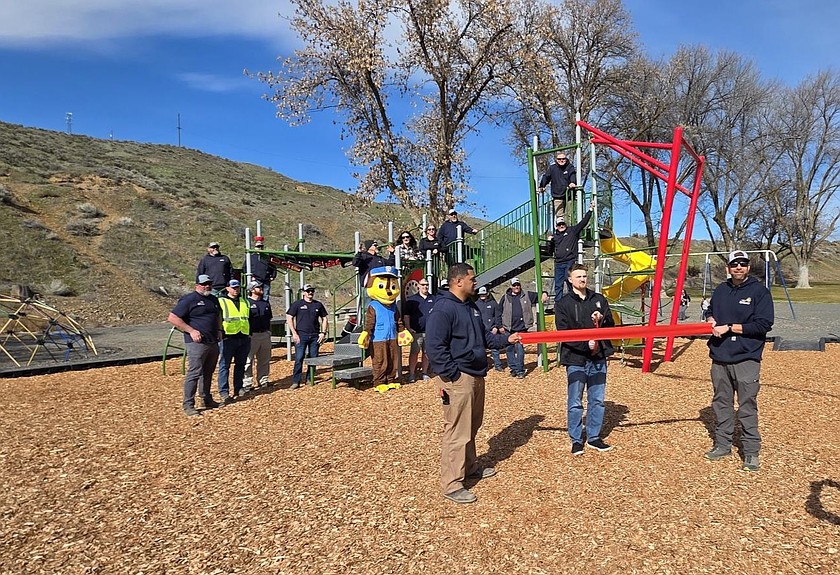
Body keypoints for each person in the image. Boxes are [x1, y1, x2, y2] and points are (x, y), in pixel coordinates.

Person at [425, 263, 521, 504]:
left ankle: (469, 467)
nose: (475, 282)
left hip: (477, 374)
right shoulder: (443, 309)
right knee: (457, 430)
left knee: (472, 426)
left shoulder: (471, 307)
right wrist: (453, 375)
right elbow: (434, 348)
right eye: (472, 279)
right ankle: (452, 484)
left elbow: (485, 337)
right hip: (459, 378)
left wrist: (506, 340)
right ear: (458, 281)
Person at [704, 250, 774, 472]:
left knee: (746, 406)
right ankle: (723, 444)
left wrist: (731, 327)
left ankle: (751, 451)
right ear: (728, 268)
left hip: (746, 357)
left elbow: (763, 325)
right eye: (735, 264)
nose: (739, 268)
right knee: (721, 403)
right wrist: (711, 319)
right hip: (720, 357)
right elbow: (710, 313)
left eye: (743, 264)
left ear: (748, 267)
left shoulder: (759, 292)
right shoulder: (721, 290)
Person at [555, 263, 616, 455]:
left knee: (597, 399)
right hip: (575, 358)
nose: (582, 279)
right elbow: (563, 332)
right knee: (575, 401)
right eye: (579, 276)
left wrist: (602, 318)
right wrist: (585, 345)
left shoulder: (598, 299)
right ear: (570, 279)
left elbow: (611, 325)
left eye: (584, 276)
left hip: (598, 358)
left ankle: (594, 437)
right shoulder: (563, 304)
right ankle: (576, 439)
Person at [167, 274, 223, 416]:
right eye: (204, 284)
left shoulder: (213, 299)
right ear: (197, 285)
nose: (207, 286)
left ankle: (206, 399)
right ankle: (188, 405)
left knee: (208, 372)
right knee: (194, 372)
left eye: (209, 283)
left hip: (212, 341)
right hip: (197, 342)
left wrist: (219, 329)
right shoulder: (189, 299)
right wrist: (191, 330)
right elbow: (173, 318)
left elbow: (218, 316)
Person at [547, 199, 593, 301]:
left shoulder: (572, 231)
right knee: (558, 285)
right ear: (556, 227)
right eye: (559, 225)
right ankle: (558, 304)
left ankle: (573, 301)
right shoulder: (554, 236)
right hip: (558, 263)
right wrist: (549, 242)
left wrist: (590, 210)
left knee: (569, 281)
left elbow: (583, 223)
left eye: (563, 224)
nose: (561, 226)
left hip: (569, 261)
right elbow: (550, 251)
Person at [286, 283, 328, 390]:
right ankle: (296, 381)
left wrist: (323, 333)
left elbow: (325, 318)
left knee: (313, 358)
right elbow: (289, 317)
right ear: (303, 292)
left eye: (312, 291)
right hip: (301, 335)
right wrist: (294, 333)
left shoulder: (318, 305)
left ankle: (310, 379)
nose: (310, 293)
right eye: (308, 291)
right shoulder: (297, 304)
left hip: (315, 336)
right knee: (299, 358)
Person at [217, 279, 251, 403]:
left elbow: (248, 318)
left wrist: (249, 335)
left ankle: (238, 388)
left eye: (237, 287)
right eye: (233, 287)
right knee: (224, 366)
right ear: (227, 288)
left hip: (243, 336)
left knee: (240, 365)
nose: (236, 289)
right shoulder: (221, 301)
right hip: (228, 337)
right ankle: (224, 391)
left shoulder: (244, 301)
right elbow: (218, 318)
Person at [496, 277, 538, 378]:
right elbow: (498, 312)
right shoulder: (505, 297)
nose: (516, 287)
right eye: (514, 285)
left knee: (520, 349)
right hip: (508, 328)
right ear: (511, 286)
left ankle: (520, 370)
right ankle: (513, 368)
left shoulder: (527, 295)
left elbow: (540, 294)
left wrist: (544, 293)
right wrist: (499, 326)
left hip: (521, 328)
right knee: (509, 350)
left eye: (518, 285)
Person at [403, 277, 435, 382]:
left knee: (427, 353)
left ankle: (424, 373)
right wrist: (408, 328)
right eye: (423, 285)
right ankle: (412, 373)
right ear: (418, 286)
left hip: (430, 332)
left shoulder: (433, 299)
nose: (425, 287)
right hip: (416, 332)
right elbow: (406, 315)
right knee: (414, 353)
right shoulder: (412, 300)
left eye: (426, 285)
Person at [243, 280, 273, 391]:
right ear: (251, 290)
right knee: (248, 360)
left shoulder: (265, 303)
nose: (260, 288)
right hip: (252, 335)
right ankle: (247, 383)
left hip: (264, 334)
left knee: (264, 359)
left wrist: (269, 332)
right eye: (257, 287)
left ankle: (263, 380)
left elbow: (269, 318)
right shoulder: (246, 303)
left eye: (261, 286)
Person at [538, 152, 577, 222]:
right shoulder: (552, 168)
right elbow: (546, 177)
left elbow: (572, 174)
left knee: (569, 216)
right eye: (559, 159)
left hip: (569, 196)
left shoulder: (570, 167)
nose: (561, 160)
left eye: (563, 159)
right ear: (556, 159)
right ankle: (561, 231)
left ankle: (568, 231)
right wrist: (542, 186)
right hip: (557, 195)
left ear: (566, 159)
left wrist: (572, 182)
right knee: (559, 217)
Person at [477, 286, 505, 372]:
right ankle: (483, 366)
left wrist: (496, 326)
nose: (482, 296)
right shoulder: (476, 304)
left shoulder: (493, 303)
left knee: (495, 348)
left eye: (484, 294)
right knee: (481, 349)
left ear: (487, 294)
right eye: (481, 294)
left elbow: (497, 316)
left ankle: (498, 365)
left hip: (492, 329)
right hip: (481, 330)